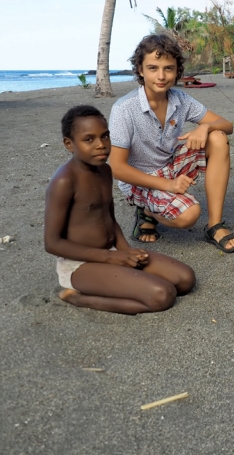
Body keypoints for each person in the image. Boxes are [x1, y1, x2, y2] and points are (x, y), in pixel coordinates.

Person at [44, 105, 195, 314]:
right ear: (69, 144)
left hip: (113, 253)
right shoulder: (64, 181)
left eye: (105, 136)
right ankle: (78, 297)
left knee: (185, 280)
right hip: (80, 265)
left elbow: (108, 218)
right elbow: (52, 243)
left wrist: (125, 250)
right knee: (162, 295)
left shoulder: (105, 170)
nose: (101, 145)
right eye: (89, 139)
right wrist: (111, 258)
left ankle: (124, 280)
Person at [108, 34, 234, 253]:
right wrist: (167, 186)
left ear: (177, 71)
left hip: (170, 165)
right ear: (141, 70)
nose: (161, 76)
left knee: (218, 137)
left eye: (168, 68)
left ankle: (215, 225)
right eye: (153, 68)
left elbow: (227, 125)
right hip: (140, 180)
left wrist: (205, 127)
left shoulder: (180, 99)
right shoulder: (124, 109)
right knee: (189, 215)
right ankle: (146, 211)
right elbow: (116, 167)